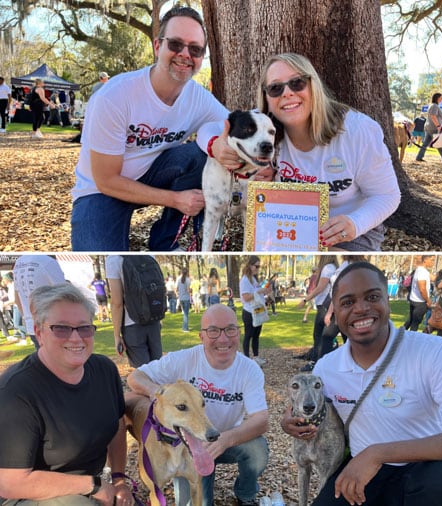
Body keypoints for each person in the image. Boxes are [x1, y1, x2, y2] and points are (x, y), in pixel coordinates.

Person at [70, 6, 245, 251]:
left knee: (200, 155)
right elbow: (106, 180)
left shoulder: (197, 97)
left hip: (153, 173)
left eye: (195, 49)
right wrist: (176, 200)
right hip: (101, 191)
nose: (185, 54)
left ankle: (166, 244)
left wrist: (255, 160)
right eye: (175, 44)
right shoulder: (115, 97)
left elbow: (235, 129)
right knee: (104, 256)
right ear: (157, 46)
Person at [280, 262, 442, 506]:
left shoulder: (433, 352)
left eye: (372, 297)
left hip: (424, 468)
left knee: (441, 485)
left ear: (387, 301)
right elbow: (310, 410)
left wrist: (377, 453)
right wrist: (290, 422)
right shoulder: (326, 368)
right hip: (363, 472)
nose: (360, 309)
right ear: (334, 311)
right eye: (347, 302)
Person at [0, 284, 134, 505]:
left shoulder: (104, 370)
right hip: (29, 495)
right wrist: (93, 486)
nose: (76, 338)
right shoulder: (16, 391)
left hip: (91, 487)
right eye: (61, 328)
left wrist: (119, 479)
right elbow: (9, 482)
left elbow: (117, 425)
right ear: (39, 332)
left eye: (84, 328)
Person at [252, 53, 400, 250]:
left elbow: (387, 195)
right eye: (275, 88)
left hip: (349, 233)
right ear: (266, 98)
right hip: (289, 226)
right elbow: (212, 133)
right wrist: (253, 183)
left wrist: (355, 223)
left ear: (314, 86)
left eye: (297, 83)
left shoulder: (358, 131)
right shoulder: (256, 132)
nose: (287, 93)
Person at [127, 304, 269, 506]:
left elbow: (261, 420)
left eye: (230, 329)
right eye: (213, 331)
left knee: (258, 449)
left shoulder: (249, 369)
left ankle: (245, 494)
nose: (223, 338)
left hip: (224, 438)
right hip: (187, 443)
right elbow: (135, 377)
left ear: (238, 332)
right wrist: (158, 392)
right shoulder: (183, 359)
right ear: (201, 336)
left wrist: (224, 441)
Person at [106, 255, 163, 368]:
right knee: (158, 369)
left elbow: (117, 303)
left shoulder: (114, 259)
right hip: (153, 321)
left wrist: (117, 336)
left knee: (143, 374)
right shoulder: (150, 256)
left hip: (132, 325)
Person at [13, 255, 66, 349]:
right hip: (54, 325)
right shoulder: (47, 262)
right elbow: (65, 296)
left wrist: (27, 319)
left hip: (32, 325)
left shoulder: (19, 263)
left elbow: (17, 299)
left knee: (43, 359)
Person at [298, 255, 337, 362]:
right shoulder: (333, 267)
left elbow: (320, 287)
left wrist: (305, 300)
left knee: (319, 335)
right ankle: (320, 359)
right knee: (326, 336)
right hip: (327, 304)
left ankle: (316, 361)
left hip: (324, 304)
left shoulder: (328, 268)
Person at [239, 256, 270, 366]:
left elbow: (257, 292)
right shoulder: (245, 280)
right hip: (249, 311)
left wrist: (264, 291)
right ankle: (246, 359)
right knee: (248, 335)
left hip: (258, 310)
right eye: (256, 266)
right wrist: (259, 291)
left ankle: (256, 357)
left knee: (256, 335)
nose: (258, 268)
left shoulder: (253, 278)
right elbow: (246, 297)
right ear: (250, 265)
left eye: (259, 266)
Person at [403, 255, 433, 332]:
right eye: (431, 260)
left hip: (414, 300)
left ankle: (399, 335)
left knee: (410, 320)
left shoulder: (420, 270)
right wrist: (428, 300)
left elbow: (433, 278)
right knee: (415, 324)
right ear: (425, 260)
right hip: (420, 302)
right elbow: (422, 289)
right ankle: (410, 341)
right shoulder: (422, 272)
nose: (432, 262)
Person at [416, 92, 442, 164]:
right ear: (437, 98)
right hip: (434, 127)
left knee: (425, 143)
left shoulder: (433, 106)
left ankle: (419, 156)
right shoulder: (434, 106)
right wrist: (438, 126)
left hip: (429, 126)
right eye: (441, 98)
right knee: (439, 143)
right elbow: (433, 116)